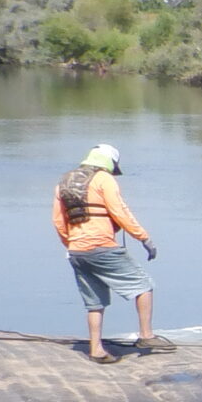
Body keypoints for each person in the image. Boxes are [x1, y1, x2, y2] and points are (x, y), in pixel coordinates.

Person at [53, 143, 168, 365]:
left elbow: (58, 221)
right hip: (102, 246)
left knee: (94, 302)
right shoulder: (104, 179)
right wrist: (144, 238)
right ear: (109, 163)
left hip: (76, 251)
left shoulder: (64, 181)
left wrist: (71, 244)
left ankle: (96, 349)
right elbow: (119, 211)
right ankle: (146, 335)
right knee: (144, 286)